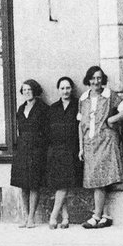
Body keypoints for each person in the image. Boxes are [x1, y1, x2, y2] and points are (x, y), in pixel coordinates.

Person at [78, 66, 123, 229]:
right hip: (90, 143)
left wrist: (112, 119)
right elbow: (81, 124)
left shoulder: (109, 95)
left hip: (106, 141)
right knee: (97, 179)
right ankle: (105, 215)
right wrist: (81, 146)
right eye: (93, 78)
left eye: (99, 78)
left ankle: (97, 215)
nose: (96, 81)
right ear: (88, 80)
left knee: (100, 180)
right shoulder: (83, 98)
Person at [10, 79, 49, 228]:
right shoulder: (21, 109)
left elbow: (46, 131)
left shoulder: (42, 108)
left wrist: (41, 147)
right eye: (24, 90)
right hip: (22, 149)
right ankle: (25, 217)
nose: (26, 92)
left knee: (34, 184)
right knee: (23, 184)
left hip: (36, 149)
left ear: (35, 91)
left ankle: (32, 217)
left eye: (29, 90)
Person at [45, 76, 82, 229]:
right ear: (58, 90)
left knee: (63, 185)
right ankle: (65, 218)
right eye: (62, 88)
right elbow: (48, 130)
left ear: (72, 89)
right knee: (60, 184)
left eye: (68, 88)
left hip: (71, 150)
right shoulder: (53, 108)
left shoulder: (78, 105)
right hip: (56, 151)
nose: (65, 91)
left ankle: (53, 216)